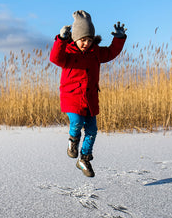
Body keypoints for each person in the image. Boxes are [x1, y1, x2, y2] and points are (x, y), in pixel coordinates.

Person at [50, 10, 127, 177]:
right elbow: (55, 58)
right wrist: (61, 39)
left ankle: (84, 159)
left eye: (89, 40)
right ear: (75, 38)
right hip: (72, 97)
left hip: (90, 99)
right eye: (82, 40)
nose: (86, 43)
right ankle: (73, 142)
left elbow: (112, 52)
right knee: (76, 122)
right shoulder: (67, 53)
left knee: (92, 130)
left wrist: (119, 39)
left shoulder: (96, 53)